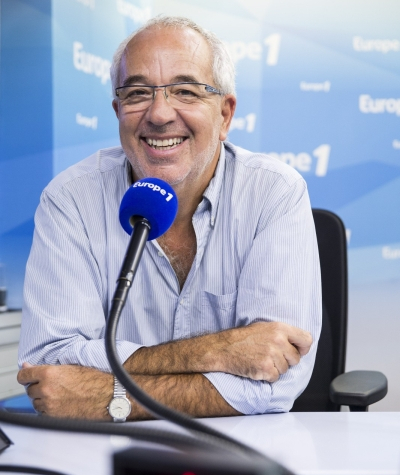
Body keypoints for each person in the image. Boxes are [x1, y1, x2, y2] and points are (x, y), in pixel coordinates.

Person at [17, 15, 321, 422]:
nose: (159, 114)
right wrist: (217, 351)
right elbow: (49, 368)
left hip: (240, 454)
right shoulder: (70, 199)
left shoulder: (274, 192)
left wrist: (109, 398)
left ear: (225, 115)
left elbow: (276, 378)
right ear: (118, 110)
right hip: (103, 454)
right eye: (138, 93)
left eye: (185, 91)